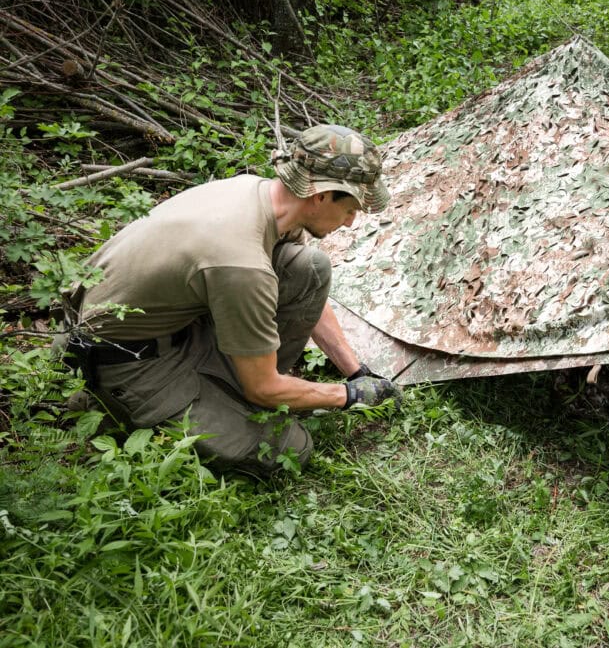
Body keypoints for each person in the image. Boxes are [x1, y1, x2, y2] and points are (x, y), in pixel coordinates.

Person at [64, 124, 402, 475]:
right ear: (320, 196)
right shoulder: (241, 264)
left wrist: (357, 372)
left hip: (175, 323)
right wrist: (349, 396)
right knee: (288, 447)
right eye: (351, 209)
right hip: (128, 363)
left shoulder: (264, 196)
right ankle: (107, 405)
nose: (350, 222)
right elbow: (263, 388)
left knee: (309, 268)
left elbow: (308, 292)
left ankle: (234, 387)